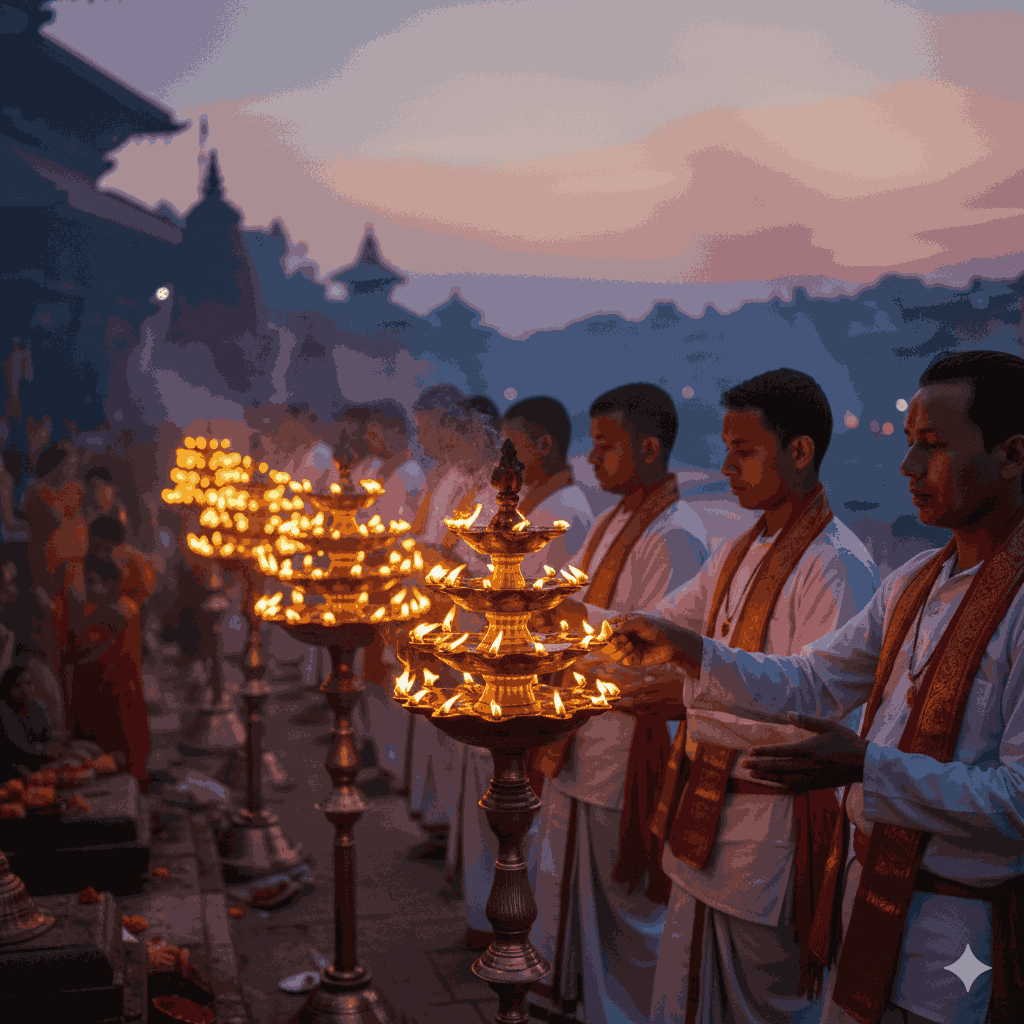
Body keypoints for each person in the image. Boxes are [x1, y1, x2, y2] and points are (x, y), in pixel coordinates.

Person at [607, 350, 1024, 1024]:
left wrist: (867, 767)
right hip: (863, 897)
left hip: (958, 934)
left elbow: (1019, 800)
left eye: (933, 446)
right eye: (911, 443)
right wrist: (691, 651)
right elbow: (813, 678)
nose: (908, 467)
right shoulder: (915, 582)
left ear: (1012, 456)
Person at [638, 369, 879, 1024]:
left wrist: (686, 687)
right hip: (705, 813)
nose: (726, 467)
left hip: (769, 831)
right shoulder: (737, 552)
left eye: (744, 451)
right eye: (726, 449)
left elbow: (814, 715)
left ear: (799, 452)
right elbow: (657, 625)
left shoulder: (838, 565)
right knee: (684, 988)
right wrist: (550, 622)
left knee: (766, 1008)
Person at [529, 383, 709, 1024]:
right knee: (565, 879)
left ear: (651, 447)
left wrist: (568, 616)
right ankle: (569, 1000)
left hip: (628, 738)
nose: (593, 460)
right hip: (581, 729)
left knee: (624, 904)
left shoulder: (677, 534)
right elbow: (565, 597)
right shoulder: (610, 521)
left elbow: (658, 644)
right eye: (593, 445)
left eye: (606, 446)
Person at [67, 553, 150, 785]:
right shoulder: (114, 609)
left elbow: (78, 651)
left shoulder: (118, 611)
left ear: (111, 584)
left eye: (91, 581)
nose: (87, 589)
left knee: (114, 759)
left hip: (113, 695)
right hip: (103, 694)